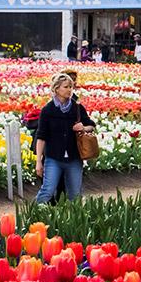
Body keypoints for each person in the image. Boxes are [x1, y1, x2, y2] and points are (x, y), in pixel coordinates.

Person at [34, 73, 95, 205]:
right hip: (53, 158)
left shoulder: (77, 108)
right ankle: (33, 217)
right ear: (56, 89)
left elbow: (91, 126)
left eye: (71, 87)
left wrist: (83, 128)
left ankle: (74, 222)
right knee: (47, 191)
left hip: (74, 158)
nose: (69, 90)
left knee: (75, 194)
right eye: (66, 87)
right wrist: (38, 161)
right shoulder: (48, 110)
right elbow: (41, 137)